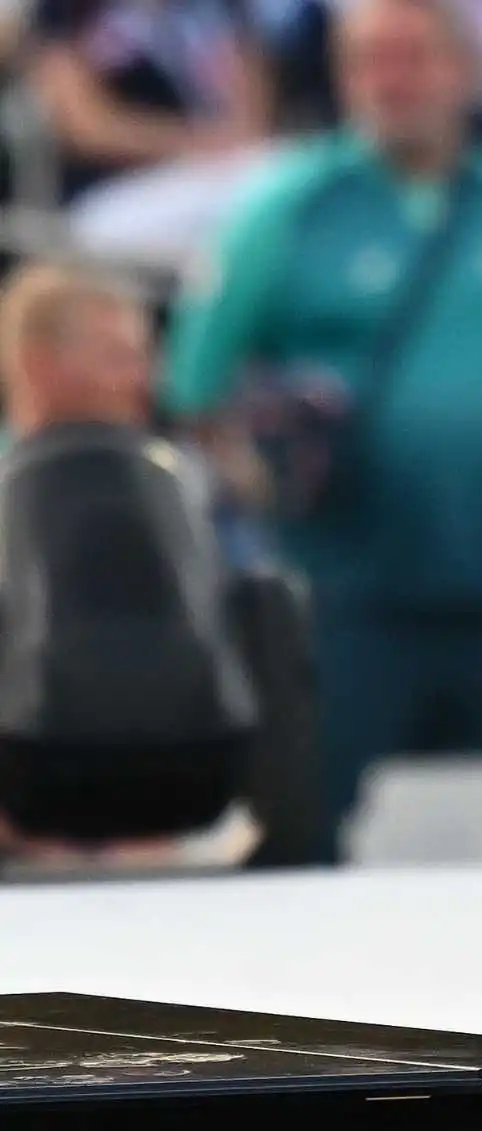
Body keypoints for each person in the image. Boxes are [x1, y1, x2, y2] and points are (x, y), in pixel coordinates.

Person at [161, 0, 482, 865]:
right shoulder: (287, 203)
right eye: (365, 60)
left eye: (411, 57)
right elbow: (194, 383)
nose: (388, 82)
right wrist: (268, 490)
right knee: (320, 850)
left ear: (466, 69)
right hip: (342, 605)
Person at [0, 262, 257, 863]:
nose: (144, 380)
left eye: (145, 358)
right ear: (39, 364)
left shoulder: (181, 485)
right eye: (119, 358)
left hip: (176, 793)